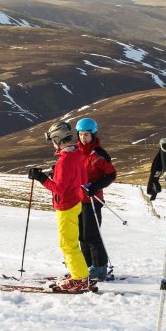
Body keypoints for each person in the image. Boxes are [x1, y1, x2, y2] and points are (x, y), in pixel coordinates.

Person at [27, 121, 90, 291]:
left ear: (57, 139)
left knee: (67, 244)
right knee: (70, 241)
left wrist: (42, 178)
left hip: (66, 206)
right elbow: (82, 180)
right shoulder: (77, 155)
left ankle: (80, 279)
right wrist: (57, 173)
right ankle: (78, 272)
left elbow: (59, 189)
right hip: (75, 202)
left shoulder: (64, 161)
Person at [74, 117, 116, 280]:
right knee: (81, 236)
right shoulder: (75, 152)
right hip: (77, 200)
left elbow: (111, 175)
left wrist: (95, 186)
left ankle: (99, 268)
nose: (84, 138)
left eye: (87, 135)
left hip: (93, 200)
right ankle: (86, 265)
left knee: (92, 234)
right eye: (81, 135)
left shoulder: (99, 155)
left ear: (93, 134)